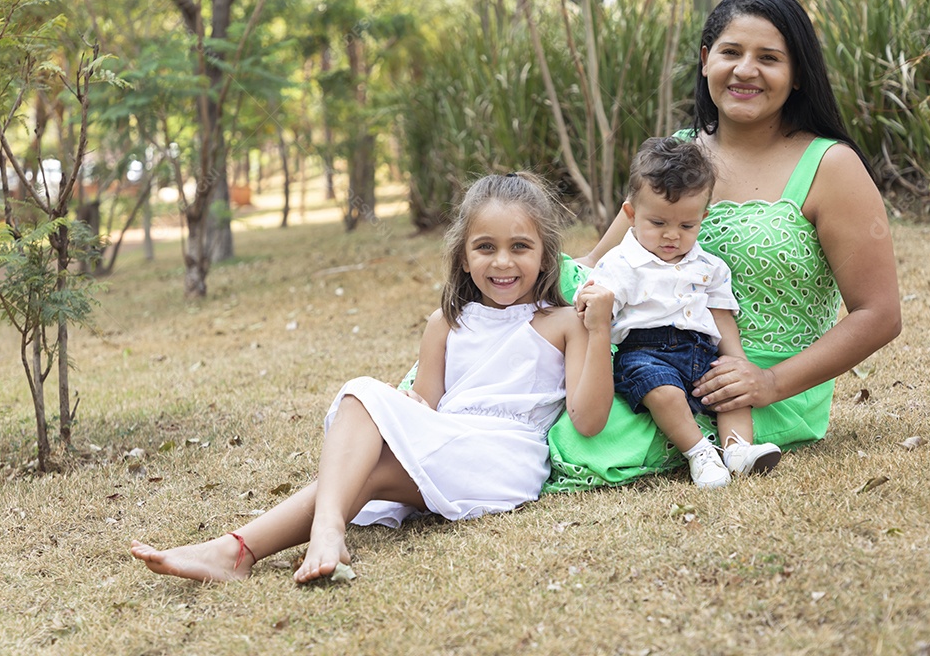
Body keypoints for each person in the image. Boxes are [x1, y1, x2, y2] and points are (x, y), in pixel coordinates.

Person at [131, 172, 615, 584]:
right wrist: (400, 405)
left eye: (520, 247)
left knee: (360, 409)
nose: (502, 261)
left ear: (545, 255)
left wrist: (599, 332)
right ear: (464, 257)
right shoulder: (445, 324)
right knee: (366, 441)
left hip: (503, 459)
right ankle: (238, 552)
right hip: (447, 441)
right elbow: (425, 407)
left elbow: (589, 420)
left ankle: (314, 531)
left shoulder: (564, 323)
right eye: (485, 247)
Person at [544, 0, 902, 493]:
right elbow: (597, 263)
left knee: (577, 445)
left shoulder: (831, 165)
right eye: (731, 52)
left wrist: (768, 382)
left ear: (798, 74)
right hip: (651, 358)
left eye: (769, 58)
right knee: (535, 393)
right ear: (706, 59)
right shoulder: (678, 158)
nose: (745, 70)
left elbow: (879, 313)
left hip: (759, 386)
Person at [580, 136, 781, 489]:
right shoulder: (620, 264)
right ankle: (700, 453)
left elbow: (721, 315)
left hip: (700, 348)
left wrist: (736, 360)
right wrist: (592, 303)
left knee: (729, 388)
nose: (672, 236)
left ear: (702, 217)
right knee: (663, 392)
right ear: (631, 215)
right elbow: (597, 307)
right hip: (645, 353)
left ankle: (737, 448)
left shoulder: (709, 266)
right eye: (658, 223)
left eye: (687, 226)